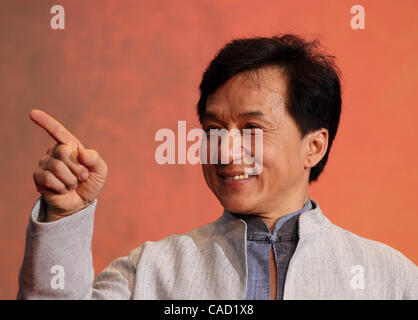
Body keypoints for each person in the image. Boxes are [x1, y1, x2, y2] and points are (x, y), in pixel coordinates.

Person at [18, 34, 417, 299]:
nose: (225, 151)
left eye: (252, 128)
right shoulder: (151, 271)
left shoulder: (390, 279)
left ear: (314, 146)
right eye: (213, 129)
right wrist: (64, 215)